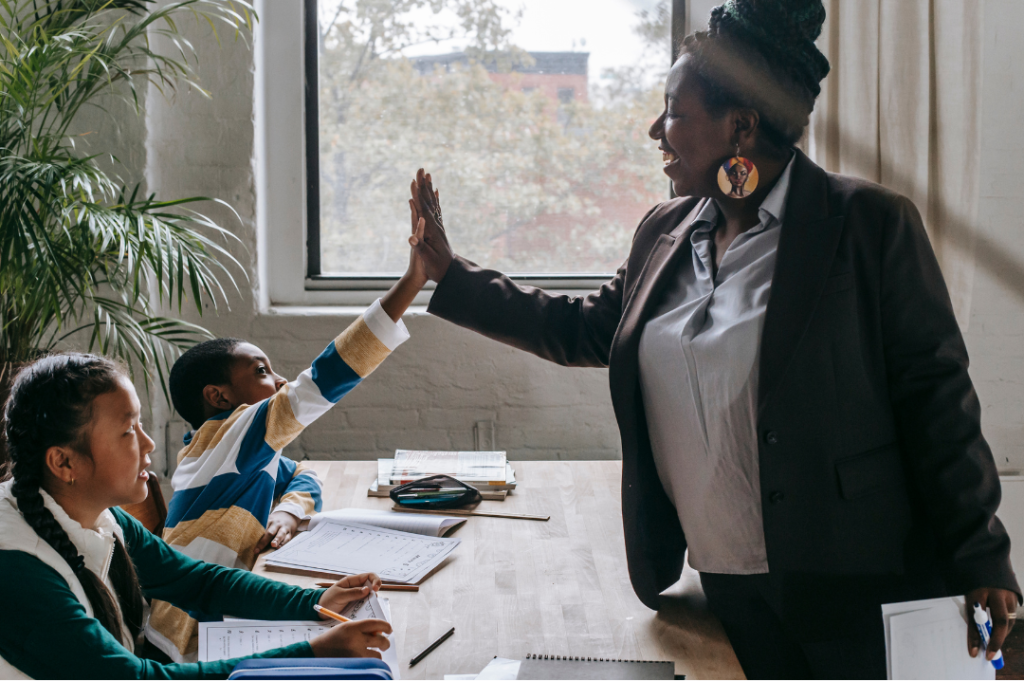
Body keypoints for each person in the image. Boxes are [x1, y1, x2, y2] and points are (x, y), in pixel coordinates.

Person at [407, 1, 1020, 678]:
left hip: (856, 586)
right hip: (724, 584)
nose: (654, 130)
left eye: (673, 111)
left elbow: (937, 400)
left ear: (741, 126)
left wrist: (982, 552)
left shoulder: (868, 226)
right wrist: (449, 274)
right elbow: (584, 327)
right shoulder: (664, 233)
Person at [0, 353, 393, 679]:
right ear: (63, 462)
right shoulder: (17, 569)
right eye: (127, 431)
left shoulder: (97, 513)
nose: (149, 443)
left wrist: (315, 600)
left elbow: (198, 583)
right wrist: (308, 653)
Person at [147, 208, 428, 662]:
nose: (278, 381)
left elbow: (304, 474)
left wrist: (289, 513)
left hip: (224, 606)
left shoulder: (237, 449)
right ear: (219, 397)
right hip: (189, 635)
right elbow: (322, 381)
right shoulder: (227, 435)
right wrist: (412, 282)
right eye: (262, 371)